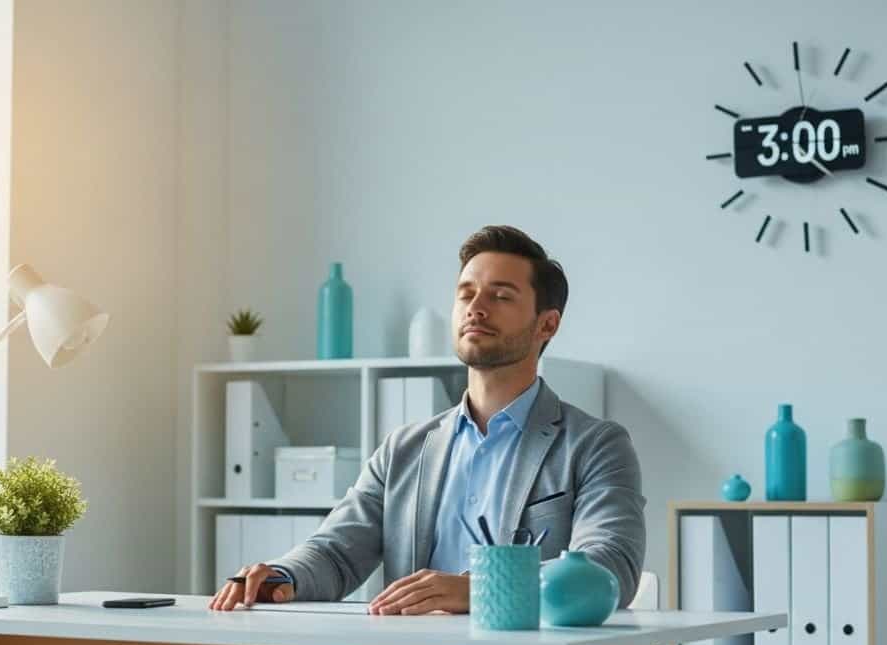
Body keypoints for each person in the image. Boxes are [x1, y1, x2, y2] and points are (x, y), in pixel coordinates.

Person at [209, 225, 646, 614]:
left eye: (501, 295)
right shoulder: (404, 448)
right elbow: (337, 552)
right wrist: (284, 577)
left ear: (546, 325)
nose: (476, 307)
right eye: (466, 292)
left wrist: (478, 590)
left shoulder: (595, 445)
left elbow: (608, 568)